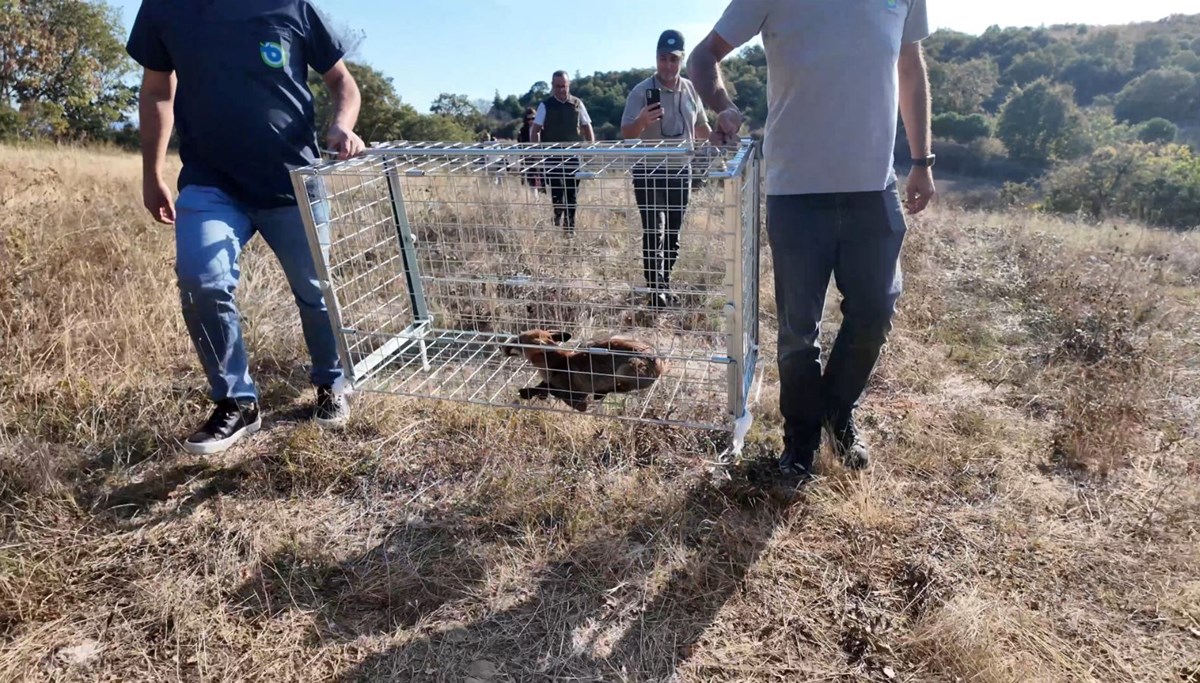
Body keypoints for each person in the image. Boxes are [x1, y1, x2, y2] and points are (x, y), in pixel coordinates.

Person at [687, 0, 937, 479]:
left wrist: (922, 161)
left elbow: (909, 65)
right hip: (795, 191)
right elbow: (704, 58)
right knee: (798, 331)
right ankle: (800, 437)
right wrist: (724, 107)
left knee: (876, 310)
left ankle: (837, 412)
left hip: (873, 187)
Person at [126, 0, 366, 455]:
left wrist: (341, 126)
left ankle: (333, 383)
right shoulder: (164, 8)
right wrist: (151, 172)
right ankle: (236, 401)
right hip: (209, 181)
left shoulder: (291, 5)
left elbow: (343, 84)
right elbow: (158, 88)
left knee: (316, 292)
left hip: (293, 181)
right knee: (201, 281)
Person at [621, 29, 713, 308]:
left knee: (673, 234)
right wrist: (641, 122)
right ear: (656, 58)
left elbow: (701, 128)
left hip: (679, 172)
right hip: (648, 170)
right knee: (654, 231)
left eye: (673, 59)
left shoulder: (690, 90)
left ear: (682, 60)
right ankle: (655, 291)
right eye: (663, 58)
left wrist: (717, 133)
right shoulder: (641, 91)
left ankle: (665, 283)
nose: (668, 65)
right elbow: (626, 132)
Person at [529, 70, 596, 231]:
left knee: (572, 195)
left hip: (573, 156)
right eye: (557, 86)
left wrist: (590, 149)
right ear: (552, 86)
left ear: (568, 85)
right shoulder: (545, 105)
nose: (561, 89)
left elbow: (587, 127)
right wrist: (537, 153)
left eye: (564, 86)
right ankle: (557, 221)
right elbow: (535, 130)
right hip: (553, 157)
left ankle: (570, 229)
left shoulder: (577, 104)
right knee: (557, 194)